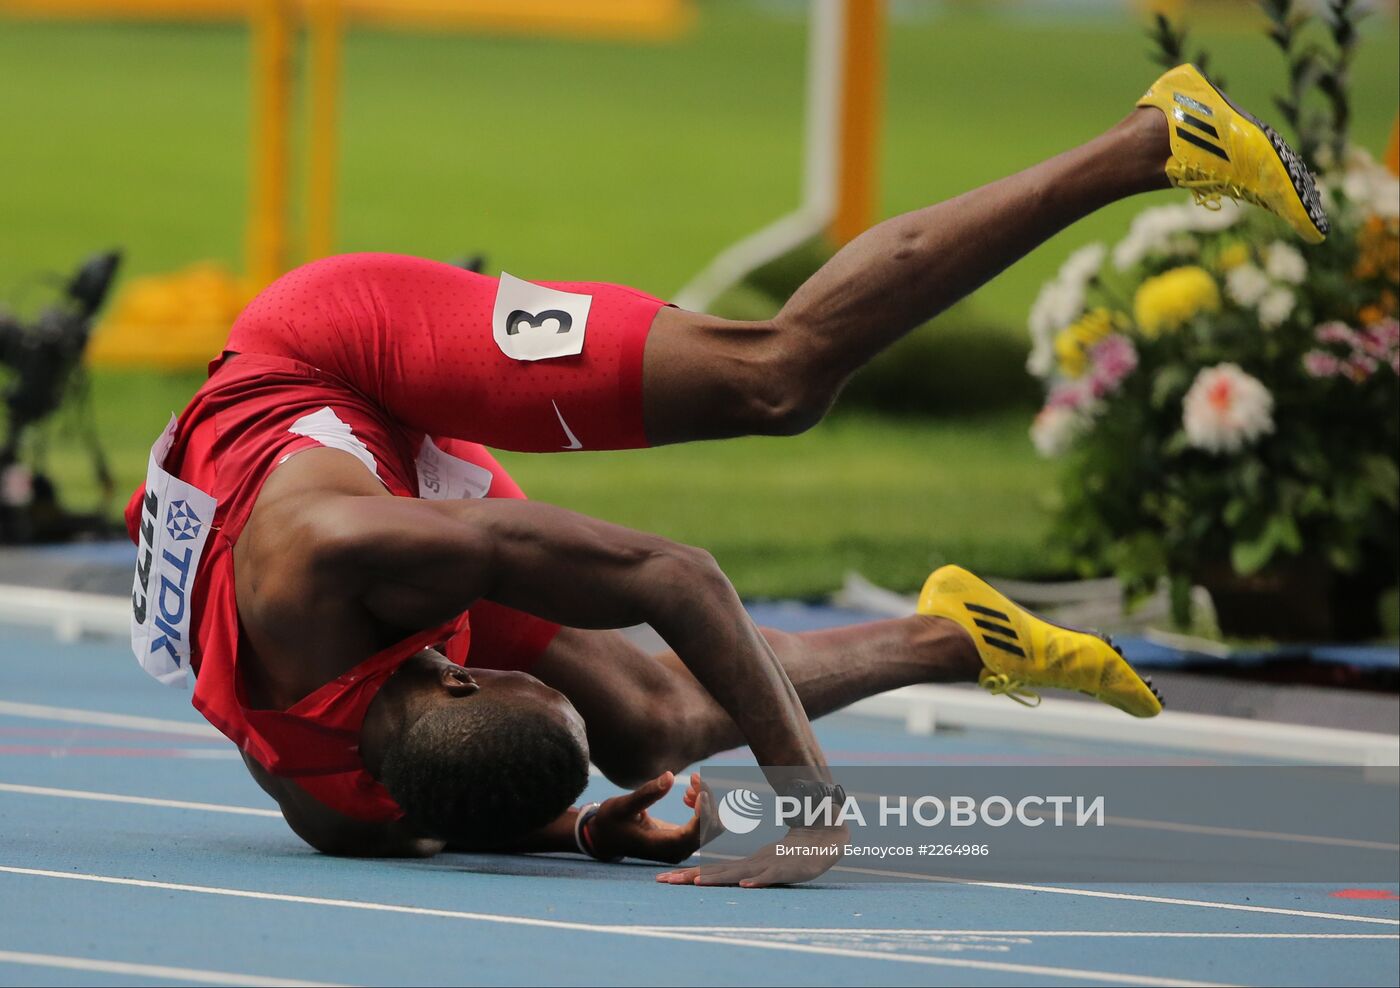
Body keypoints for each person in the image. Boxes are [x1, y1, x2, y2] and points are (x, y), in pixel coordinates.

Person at [125, 65, 1324, 887]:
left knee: (775, 381)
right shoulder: (344, 814)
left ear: (445, 674)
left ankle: (1151, 137)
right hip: (357, 500)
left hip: (335, 351)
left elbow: (672, 573)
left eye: (485, 665)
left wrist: (804, 801)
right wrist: (597, 822)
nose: (491, 651)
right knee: (646, 725)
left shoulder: (344, 562)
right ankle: (954, 637)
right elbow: (495, 799)